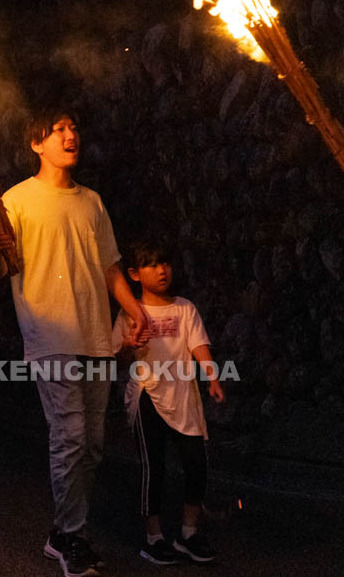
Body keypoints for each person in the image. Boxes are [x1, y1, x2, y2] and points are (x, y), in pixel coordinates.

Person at [0, 109, 148, 577]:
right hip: (48, 334)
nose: (70, 135)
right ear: (36, 144)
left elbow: (111, 268)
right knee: (70, 435)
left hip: (95, 335)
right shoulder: (12, 201)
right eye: (58, 130)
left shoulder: (92, 202)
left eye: (74, 128)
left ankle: (62, 532)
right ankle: (71, 535)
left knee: (93, 444)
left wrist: (135, 311)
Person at [112, 240, 223, 565]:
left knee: (196, 465)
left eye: (166, 263)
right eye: (152, 265)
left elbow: (198, 343)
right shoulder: (130, 311)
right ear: (134, 273)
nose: (162, 270)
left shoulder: (185, 308)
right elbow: (117, 354)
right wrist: (129, 344)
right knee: (154, 467)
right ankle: (154, 537)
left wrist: (212, 376)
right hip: (148, 394)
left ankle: (189, 533)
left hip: (183, 397)